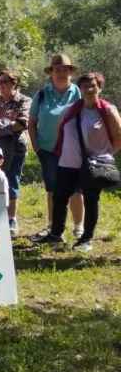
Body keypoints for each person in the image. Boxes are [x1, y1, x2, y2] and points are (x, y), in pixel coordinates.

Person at [46, 72, 121, 252]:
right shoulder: (71, 109)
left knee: (91, 200)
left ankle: (86, 239)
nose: (88, 89)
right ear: (79, 88)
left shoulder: (107, 110)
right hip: (68, 163)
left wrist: (105, 156)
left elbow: (119, 137)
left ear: (99, 88)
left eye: (92, 85)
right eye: (84, 86)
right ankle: (56, 235)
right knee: (59, 198)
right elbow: (61, 131)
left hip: (93, 165)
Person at [29, 53, 85, 242]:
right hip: (48, 150)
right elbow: (32, 122)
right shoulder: (42, 94)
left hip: (73, 150)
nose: (61, 73)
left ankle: (78, 228)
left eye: (65, 69)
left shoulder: (78, 92)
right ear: (51, 72)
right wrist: (36, 147)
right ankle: (53, 226)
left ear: (70, 72)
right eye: (57, 69)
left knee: (75, 189)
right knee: (53, 189)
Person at [0, 70, 32, 235]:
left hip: (16, 147)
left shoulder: (24, 100)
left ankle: (11, 219)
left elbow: (22, 123)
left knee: (12, 181)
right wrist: (7, 125)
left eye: (5, 82)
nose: (1, 85)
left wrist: (0, 126)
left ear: (14, 83)